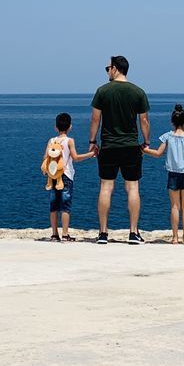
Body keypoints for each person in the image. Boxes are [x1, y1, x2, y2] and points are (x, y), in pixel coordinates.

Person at [88, 55, 151, 244]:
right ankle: (133, 232)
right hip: (131, 146)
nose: (107, 71)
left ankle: (103, 233)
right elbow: (144, 120)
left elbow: (95, 119)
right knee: (132, 187)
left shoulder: (102, 91)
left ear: (115, 68)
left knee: (106, 187)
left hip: (108, 145)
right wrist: (146, 142)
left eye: (108, 68)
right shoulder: (138, 92)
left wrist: (92, 141)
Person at [143, 103, 184, 244]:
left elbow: (158, 153)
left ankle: (175, 238)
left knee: (175, 206)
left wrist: (144, 150)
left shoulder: (167, 137)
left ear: (172, 122)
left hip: (172, 174)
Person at [43, 112, 91, 242]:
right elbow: (75, 158)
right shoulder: (69, 141)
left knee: (53, 206)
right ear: (70, 127)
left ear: (56, 127)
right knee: (65, 206)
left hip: (53, 176)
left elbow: (45, 158)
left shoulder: (51, 141)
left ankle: (54, 234)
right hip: (66, 176)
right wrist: (91, 154)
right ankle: (65, 234)